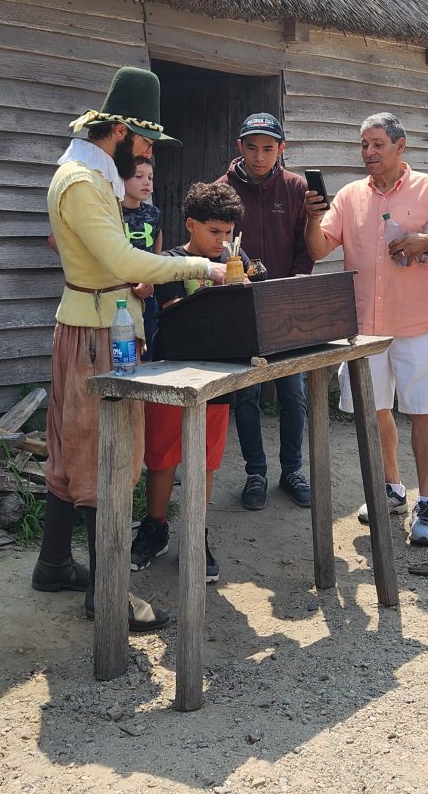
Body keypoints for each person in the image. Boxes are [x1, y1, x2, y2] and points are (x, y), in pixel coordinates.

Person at [31, 67, 226, 631]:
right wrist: (201, 265)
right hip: (97, 332)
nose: (145, 153)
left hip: (95, 322)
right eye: (143, 143)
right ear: (117, 133)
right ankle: (109, 596)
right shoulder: (82, 183)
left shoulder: (88, 177)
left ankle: (53, 564)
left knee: (75, 449)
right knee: (106, 458)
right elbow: (123, 263)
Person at [304, 112, 428, 546]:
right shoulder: (348, 196)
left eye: (377, 144)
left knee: (423, 412)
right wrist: (312, 216)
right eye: (364, 145)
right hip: (364, 327)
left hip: (419, 323)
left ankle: (427, 502)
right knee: (374, 410)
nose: (369, 153)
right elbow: (319, 246)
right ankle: (392, 487)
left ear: (400, 147)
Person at [130, 182, 250, 582]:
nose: (222, 241)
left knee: (206, 461)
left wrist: (245, 286)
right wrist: (221, 287)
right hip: (169, 369)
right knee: (162, 457)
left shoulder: (237, 259)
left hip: (218, 374)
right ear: (191, 224)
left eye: (228, 232)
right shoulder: (168, 262)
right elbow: (176, 311)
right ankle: (155, 526)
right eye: (214, 232)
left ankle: (196, 535)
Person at [216, 112, 313, 511]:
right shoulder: (222, 190)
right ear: (239, 147)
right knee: (247, 394)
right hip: (239, 306)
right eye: (252, 148)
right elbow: (213, 245)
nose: (260, 157)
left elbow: (306, 246)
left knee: (294, 392)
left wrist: (292, 286)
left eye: (268, 149)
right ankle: (255, 472)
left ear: (281, 150)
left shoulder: (296, 188)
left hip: (288, 303)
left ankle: (292, 469)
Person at [121, 155, 163, 356]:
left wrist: (152, 277)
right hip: (121, 291)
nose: (146, 182)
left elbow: (157, 239)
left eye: (150, 177)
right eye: (139, 176)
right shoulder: (113, 213)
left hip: (148, 289)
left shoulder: (153, 213)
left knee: (149, 347)